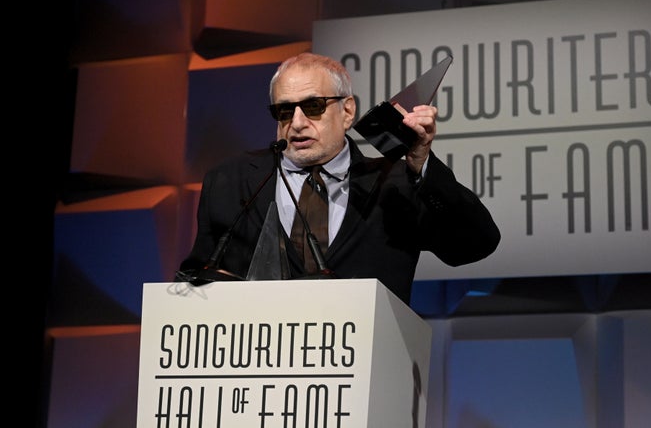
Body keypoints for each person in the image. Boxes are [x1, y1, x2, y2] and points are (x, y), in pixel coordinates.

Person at [178, 52, 500, 305]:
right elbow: (195, 281)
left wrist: (421, 162)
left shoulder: (396, 182)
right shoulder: (232, 181)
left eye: (313, 106)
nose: (298, 123)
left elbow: (474, 244)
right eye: (285, 112)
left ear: (347, 112)